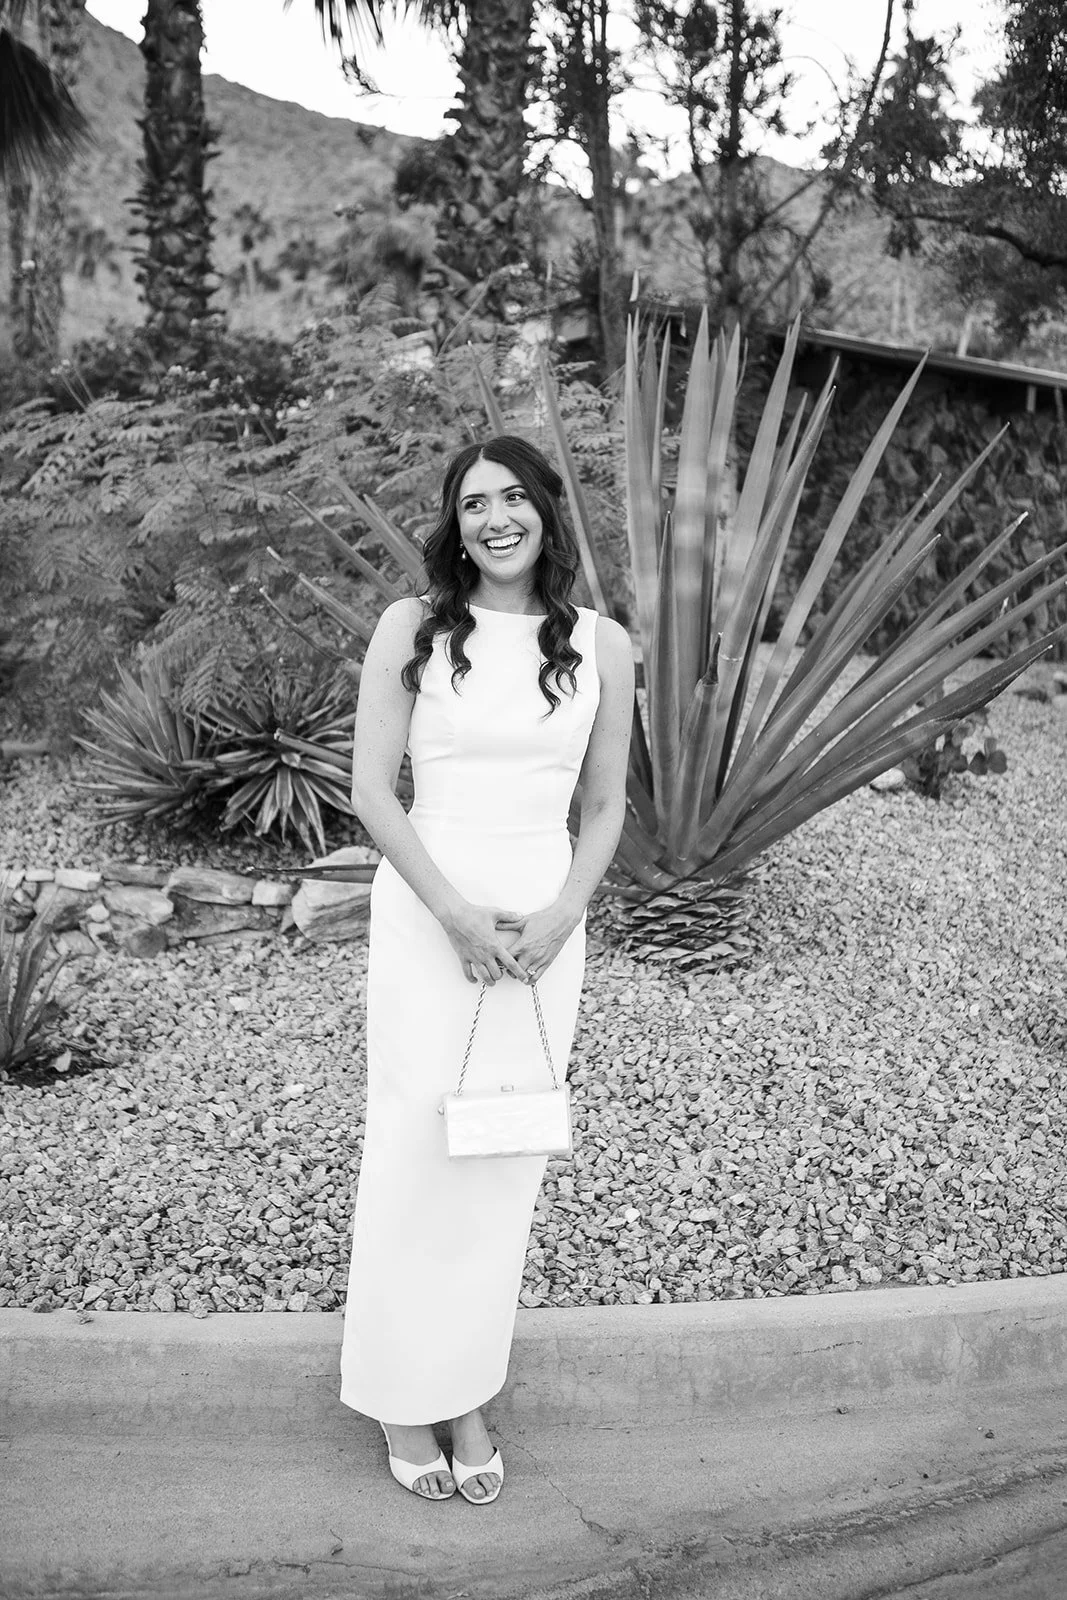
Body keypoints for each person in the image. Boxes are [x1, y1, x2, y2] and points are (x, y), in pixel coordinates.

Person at [339, 434, 633, 1504]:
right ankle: (397, 1390)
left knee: (502, 1151)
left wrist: (562, 914)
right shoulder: (408, 629)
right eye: (473, 504)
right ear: (452, 524)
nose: (495, 518)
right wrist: (457, 915)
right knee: (417, 1138)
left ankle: (465, 1389)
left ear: (546, 515)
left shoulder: (602, 644)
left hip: (544, 926)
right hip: (430, 910)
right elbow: (374, 790)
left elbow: (603, 805)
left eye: (514, 498)